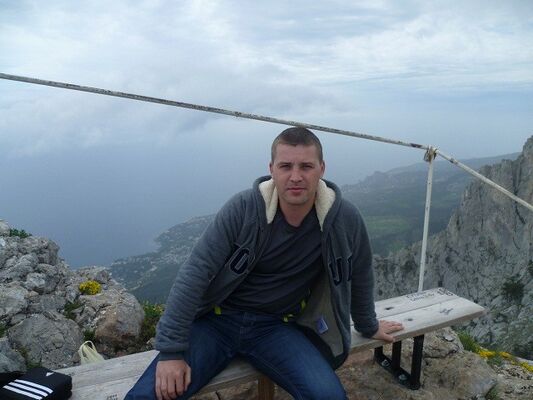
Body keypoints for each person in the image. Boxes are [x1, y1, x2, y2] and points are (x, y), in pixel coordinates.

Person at [126, 127, 404, 400]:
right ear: (272, 169)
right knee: (149, 395)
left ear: (322, 169)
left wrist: (368, 325)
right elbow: (195, 273)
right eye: (286, 166)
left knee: (328, 395)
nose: (296, 176)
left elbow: (360, 272)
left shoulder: (343, 219)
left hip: (276, 328)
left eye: (306, 166)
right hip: (216, 323)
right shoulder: (244, 209)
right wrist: (171, 352)